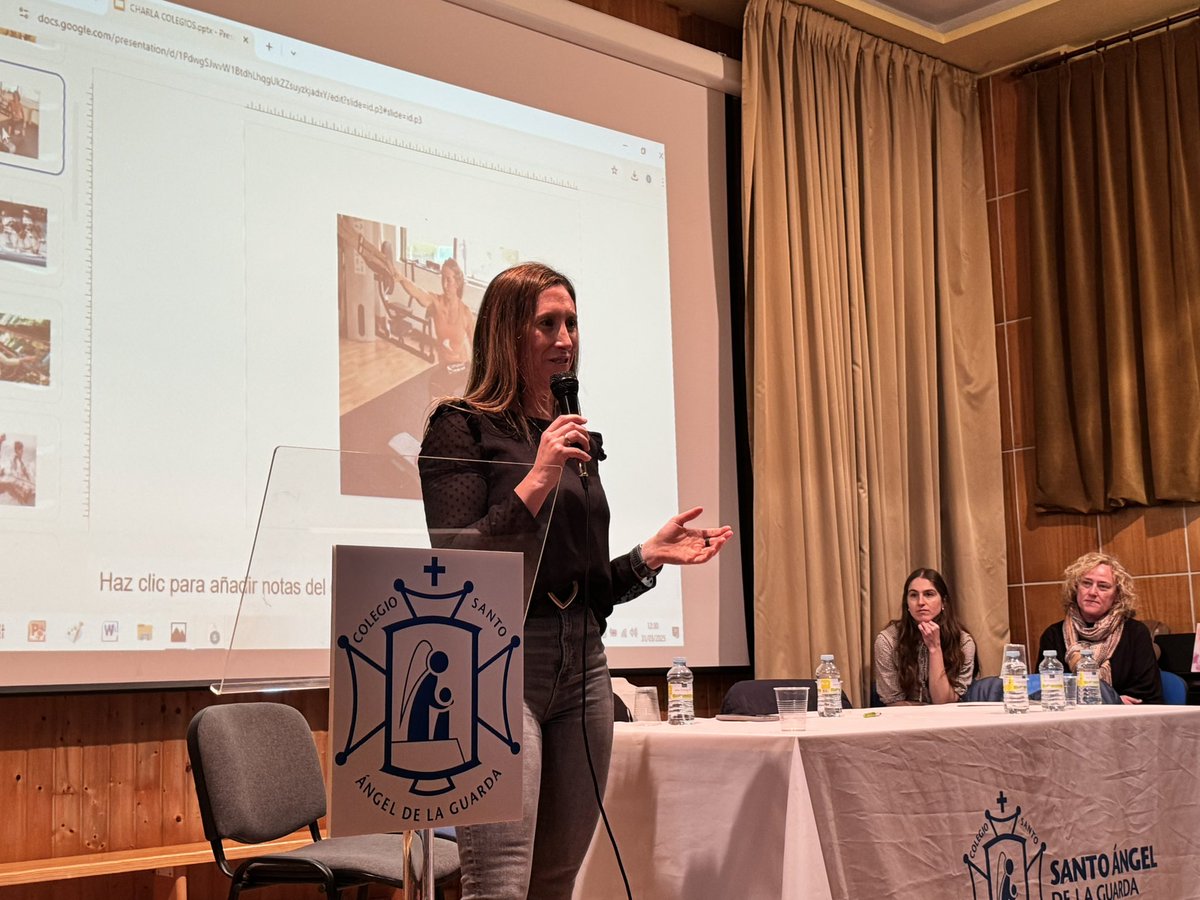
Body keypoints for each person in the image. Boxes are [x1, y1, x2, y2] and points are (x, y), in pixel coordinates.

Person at [418, 261, 731, 899]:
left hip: (583, 664)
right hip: (496, 665)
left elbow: (581, 582)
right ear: (508, 333)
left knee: (560, 880)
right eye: (548, 324)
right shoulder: (461, 426)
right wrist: (535, 479)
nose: (566, 339)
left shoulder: (576, 439)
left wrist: (647, 556)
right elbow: (456, 561)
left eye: (573, 323)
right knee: (499, 883)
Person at [1037, 552, 1162, 704]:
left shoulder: (1135, 633)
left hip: (1123, 721)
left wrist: (1111, 703)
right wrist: (1111, 699)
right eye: (1086, 583)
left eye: (1103, 586)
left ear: (1117, 595)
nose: (1092, 592)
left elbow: (1147, 693)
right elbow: (1044, 690)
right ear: (1076, 588)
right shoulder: (1053, 635)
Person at [874, 567, 976, 705]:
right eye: (913, 595)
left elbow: (943, 702)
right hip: (904, 721)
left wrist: (935, 648)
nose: (920, 602)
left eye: (929, 594)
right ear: (907, 604)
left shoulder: (963, 642)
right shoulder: (887, 641)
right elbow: (894, 702)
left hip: (950, 721)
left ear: (943, 602)